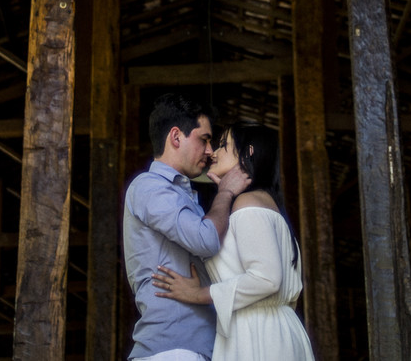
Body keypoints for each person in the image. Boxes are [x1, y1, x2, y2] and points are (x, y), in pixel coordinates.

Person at [151, 123, 315, 361]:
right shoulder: (264, 203)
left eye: (223, 145)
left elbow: (266, 278)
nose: (213, 153)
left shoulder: (247, 204)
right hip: (270, 329)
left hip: (259, 334)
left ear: (248, 153)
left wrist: (199, 295)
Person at [123, 93, 251, 361]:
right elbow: (205, 240)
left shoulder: (181, 193)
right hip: (172, 349)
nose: (209, 150)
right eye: (204, 139)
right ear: (176, 137)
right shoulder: (149, 187)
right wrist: (225, 193)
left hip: (193, 348)